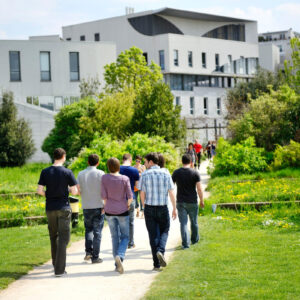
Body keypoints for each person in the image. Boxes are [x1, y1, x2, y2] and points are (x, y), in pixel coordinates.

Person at [37, 148, 78, 277]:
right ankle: (59, 270)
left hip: (50, 208)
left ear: (54, 156)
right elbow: (74, 192)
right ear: (64, 156)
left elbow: (39, 190)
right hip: (64, 207)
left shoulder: (45, 171)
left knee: (53, 236)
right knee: (64, 238)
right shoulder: (67, 172)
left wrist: (49, 195)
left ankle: (56, 263)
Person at [139, 152, 177, 271]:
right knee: (165, 230)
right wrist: (174, 208)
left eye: (145, 162)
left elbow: (142, 193)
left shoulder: (144, 175)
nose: (144, 164)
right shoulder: (166, 173)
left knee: (153, 235)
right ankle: (161, 251)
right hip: (162, 207)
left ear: (151, 162)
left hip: (149, 207)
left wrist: (144, 207)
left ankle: (156, 264)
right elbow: (171, 192)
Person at [101, 157, 133, 274]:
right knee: (125, 236)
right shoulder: (125, 178)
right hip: (122, 211)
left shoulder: (104, 178)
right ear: (119, 166)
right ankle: (120, 256)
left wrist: (105, 207)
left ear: (108, 167)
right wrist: (128, 205)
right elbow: (130, 197)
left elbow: (104, 197)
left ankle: (117, 264)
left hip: (109, 211)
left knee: (114, 237)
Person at [77, 154, 105, 263]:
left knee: (88, 229)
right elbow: (104, 190)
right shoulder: (101, 173)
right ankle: (95, 257)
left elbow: (78, 190)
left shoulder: (80, 174)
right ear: (97, 163)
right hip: (98, 205)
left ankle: (88, 252)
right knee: (97, 232)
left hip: (86, 205)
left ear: (88, 162)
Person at [172, 154, 204, 249]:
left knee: (183, 223)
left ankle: (185, 244)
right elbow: (199, 189)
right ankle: (194, 240)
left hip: (181, 201)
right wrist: (201, 200)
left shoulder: (176, 173)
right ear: (191, 162)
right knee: (194, 222)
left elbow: (171, 187)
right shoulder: (195, 173)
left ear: (182, 162)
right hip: (192, 201)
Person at [120, 153, 139, 248]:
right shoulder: (134, 170)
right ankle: (131, 243)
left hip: (119, 199)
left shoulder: (117, 169)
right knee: (131, 222)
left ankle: (122, 242)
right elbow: (137, 186)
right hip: (131, 198)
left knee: (121, 221)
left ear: (122, 159)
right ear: (130, 159)